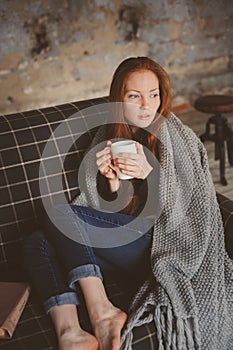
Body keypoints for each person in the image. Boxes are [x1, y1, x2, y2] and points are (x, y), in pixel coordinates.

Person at [24, 57, 233, 350]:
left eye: (153, 94)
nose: (146, 106)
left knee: (61, 214)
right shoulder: (110, 135)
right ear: (119, 99)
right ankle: (70, 331)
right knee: (37, 241)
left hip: (165, 247)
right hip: (128, 245)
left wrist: (150, 174)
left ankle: (103, 311)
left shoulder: (178, 137)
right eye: (134, 96)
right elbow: (112, 217)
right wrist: (112, 182)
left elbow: (188, 211)